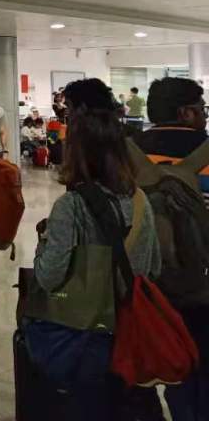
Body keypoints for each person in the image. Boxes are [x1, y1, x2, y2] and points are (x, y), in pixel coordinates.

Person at [33, 102, 161, 420]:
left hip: (85, 339)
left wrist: (43, 243)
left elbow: (49, 276)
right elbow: (154, 267)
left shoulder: (71, 206)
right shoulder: (140, 200)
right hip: (133, 336)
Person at [133, 76, 209, 419]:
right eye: (202, 108)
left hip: (145, 289)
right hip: (202, 286)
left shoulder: (125, 155)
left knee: (159, 373)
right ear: (186, 113)